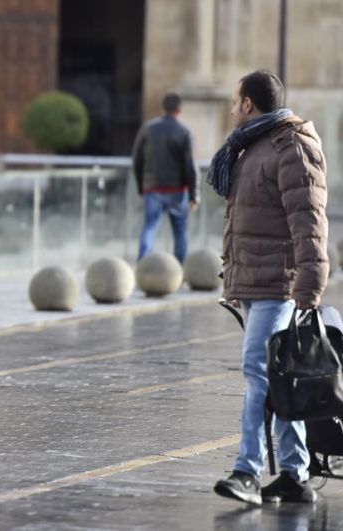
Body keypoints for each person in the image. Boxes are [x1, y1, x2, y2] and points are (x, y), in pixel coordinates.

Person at [208, 70, 328, 505]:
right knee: (280, 379)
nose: (230, 108)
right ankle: (295, 475)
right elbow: (244, 221)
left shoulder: (290, 146)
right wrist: (235, 278)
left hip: (281, 284)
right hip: (255, 282)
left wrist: (310, 288)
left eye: (234, 101)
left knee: (257, 372)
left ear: (248, 105)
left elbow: (309, 224)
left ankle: (246, 471)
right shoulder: (251, 147)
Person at [132, 92, 198, 263]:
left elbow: (137, 160)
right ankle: (179, 269)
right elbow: (190, 166)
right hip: (177, 190)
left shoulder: (147, 129)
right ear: (179, 110)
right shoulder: (185, 132)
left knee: (150, 227)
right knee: (180, 231)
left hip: (153, 188)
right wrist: (193, 194)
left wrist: (141, 186)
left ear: (162, 109)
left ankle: (142, 265)